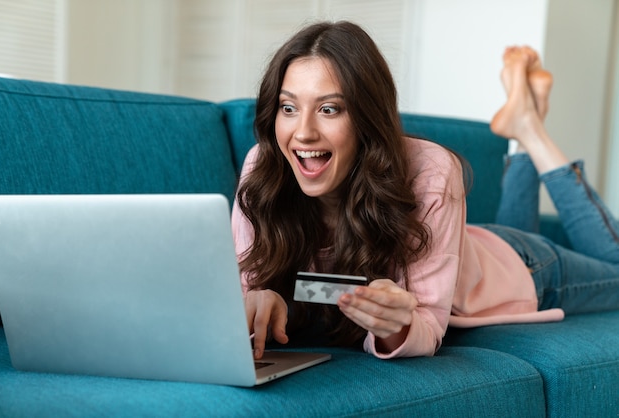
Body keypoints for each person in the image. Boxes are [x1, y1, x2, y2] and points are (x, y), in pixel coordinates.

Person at [231, 21, 619, 360]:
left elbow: (428, 326)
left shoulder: (432, 168)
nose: (303, 132)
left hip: (522, 268)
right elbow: (248, 303)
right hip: (469, 248)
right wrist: (256, 300)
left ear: (367, 117)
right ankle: (523, 124)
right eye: (288, 107)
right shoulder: (263, 170)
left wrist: (394, 325)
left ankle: (532, 133)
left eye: (330, 109)